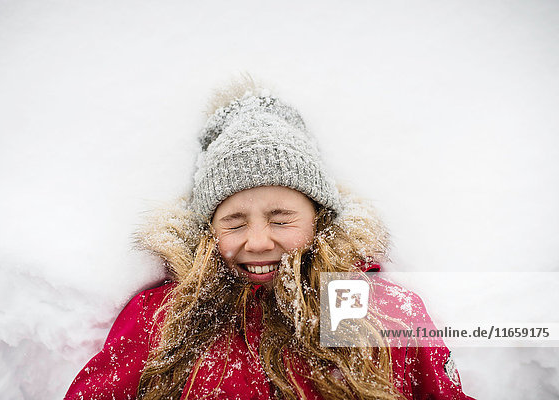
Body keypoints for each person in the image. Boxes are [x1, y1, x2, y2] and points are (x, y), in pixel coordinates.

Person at [65, 78, 475, 400]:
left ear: (319, 218)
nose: (258, 242)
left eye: (281, 220)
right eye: (235, 222)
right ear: (208, 230)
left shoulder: (379, 310)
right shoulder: (161, 319)